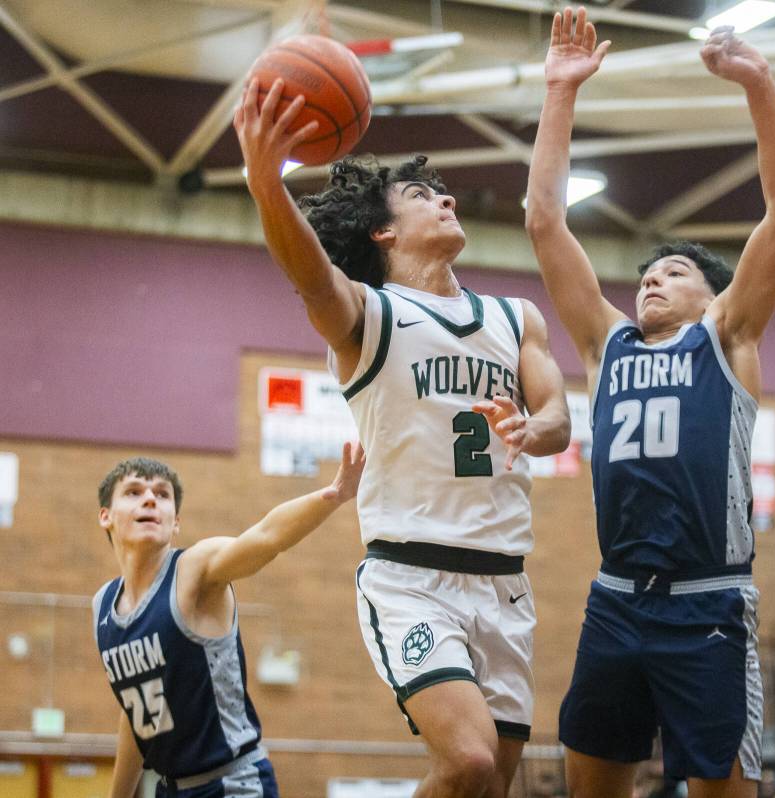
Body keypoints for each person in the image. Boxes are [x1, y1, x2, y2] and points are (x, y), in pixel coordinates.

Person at [234, 77, 572, 798]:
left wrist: (533, 426)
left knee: (493, 784)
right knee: (469, 763)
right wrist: (269, 187)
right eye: (422, 196)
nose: (446, 198)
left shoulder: (517, 319)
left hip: (505, 581)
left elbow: (558, 419)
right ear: (382, 234)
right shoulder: (368, 315)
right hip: (412, 577)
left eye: (444, 193)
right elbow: (311, 276)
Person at [525, 7, 775, 798]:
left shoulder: (730, 336)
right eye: (647, 272)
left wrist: (759, 86)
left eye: (675, 271)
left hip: (706, 604)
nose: (653, 278)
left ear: (713, 294)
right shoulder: (604, 346)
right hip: (615, 598)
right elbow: (545, 222)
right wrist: (560, 93)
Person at [93, 444, 365, 798]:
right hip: (170, 789)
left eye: (162, 494)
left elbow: (267, 536)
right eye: (133, 492)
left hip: (232, 783)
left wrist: (335, 494)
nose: (150, 500)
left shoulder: (194, 570)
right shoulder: (103, 606)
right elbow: (137, 711)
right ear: (106, 516)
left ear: (175, 522)